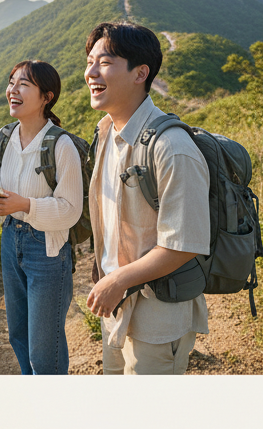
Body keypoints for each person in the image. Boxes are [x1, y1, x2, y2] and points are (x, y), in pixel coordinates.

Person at [83, 22, 210, 374]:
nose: (90, 72)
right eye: (89, 61)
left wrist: (119, 279)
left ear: (141, 73)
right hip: (115, 305)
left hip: (157, 315)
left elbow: (183, 244)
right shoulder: (108, 131)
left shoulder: (172, 149)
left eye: (104, 62)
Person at [0, 60, 83, 374]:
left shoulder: (61, 145)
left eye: (23, 84)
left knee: (44, 350)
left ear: (46, 97)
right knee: (19, 336)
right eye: (12, 82)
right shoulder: (4, 136)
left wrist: (25, 204)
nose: (13, 89)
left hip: (47, 250)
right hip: (11, 238)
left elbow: (70, 210)